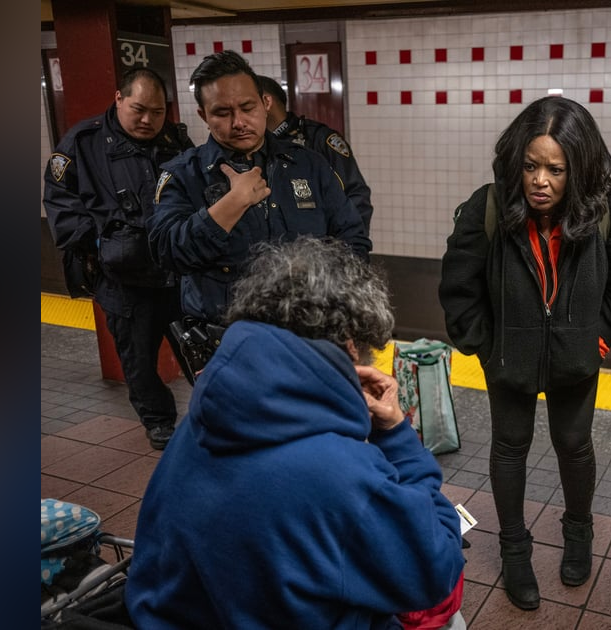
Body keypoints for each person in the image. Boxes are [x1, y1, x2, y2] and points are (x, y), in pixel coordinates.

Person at [125, 237, 465, 629]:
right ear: (351, 347)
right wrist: (396, 436)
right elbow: (434, 570)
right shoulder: (339, 472)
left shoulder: (205, 415)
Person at [438, 96, 611, 610]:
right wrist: (486, 346)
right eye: (531, 166)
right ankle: (515, 551)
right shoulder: (489, 206)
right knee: (509, 446)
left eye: (556, 169)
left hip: (576, 362)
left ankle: (579, 534)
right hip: (509, 359)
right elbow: (458, 286)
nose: (540, 180)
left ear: (579, 167)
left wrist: (595, 341)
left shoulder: (608, 210)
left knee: (574, 446)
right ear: (517, 160)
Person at [148, 50, 370, 329]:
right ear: (204, 115)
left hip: (308, 329)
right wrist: (231, 204)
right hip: (229, 337)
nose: (238, 122)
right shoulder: (182, 174)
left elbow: (352, 237)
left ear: (265, 103)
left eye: (247, 107)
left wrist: (333, 298)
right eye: (222, 112)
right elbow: (168, 253)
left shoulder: (308, 164)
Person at [43, 67, 195, 451]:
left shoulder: (177, 141)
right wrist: (98, 246)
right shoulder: (83, 143)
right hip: (123, 280)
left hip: (176, 273)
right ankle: (159, 424)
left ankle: (216, 414)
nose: (148, 120)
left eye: (157, 112)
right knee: (139, 360)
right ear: (119, 99)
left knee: (198, 350)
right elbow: (60, 200)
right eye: (139, 109)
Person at [257, 74, 375, 232]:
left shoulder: (319, 140)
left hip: (321, 249)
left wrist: (346, 251)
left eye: (247, 105)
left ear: (266, 102)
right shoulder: (255, 146)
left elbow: (356, 196)